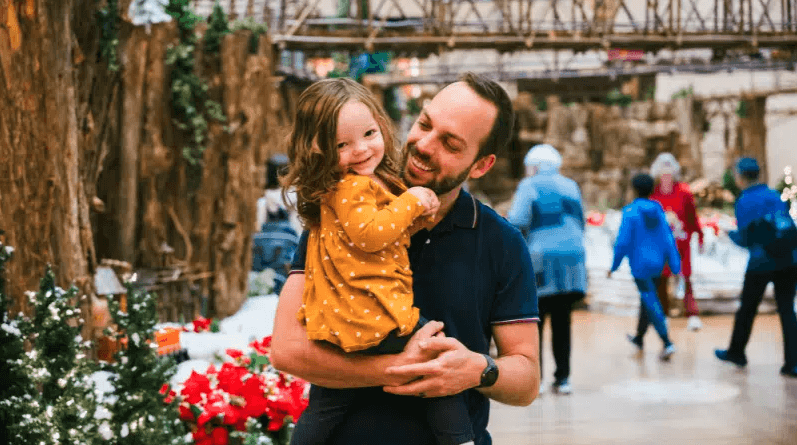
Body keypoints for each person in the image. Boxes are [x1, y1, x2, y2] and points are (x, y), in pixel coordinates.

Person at [271, 73, 540, 445]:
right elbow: (286, 350)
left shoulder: (502, 243)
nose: (424, 144)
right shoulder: (342, 211)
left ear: (480, 165)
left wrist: (477, 368)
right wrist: (397, 367)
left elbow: (526, 379)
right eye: (425, 123)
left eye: (450, 143)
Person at [507, 144, 586, 395]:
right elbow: (581, 222)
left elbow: (518, 220)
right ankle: (563, 379)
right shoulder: (571, 185)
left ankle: (536, 380)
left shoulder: (529, 186)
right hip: (573, 261)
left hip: (541, 259)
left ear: (534, 165)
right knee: (563, 320)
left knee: (536, 321)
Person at [715, 157, 797, 378]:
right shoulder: (773, 195)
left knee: (748, 309)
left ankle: (736, 352)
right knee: (787, 310)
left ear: (741, 177)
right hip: (789, 261)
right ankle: (793, 363)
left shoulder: (745, 200)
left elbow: (745, 238)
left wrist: (728, 234)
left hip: (761, 263)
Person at [608, 173, 680, 361]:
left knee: (650, 300)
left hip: (640, 265)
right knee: (647, 299)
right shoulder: (658, 210)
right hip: (657, 264)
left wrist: (614, 266)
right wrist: (674, 265)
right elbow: (668, 239)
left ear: (633, 190)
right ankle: (639, 338)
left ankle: (667, 342)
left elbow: (622, 242)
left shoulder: (630, 212)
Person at [649, 152, 704, 331]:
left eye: (669, 171)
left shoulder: (684, 192)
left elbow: (692, 217)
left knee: (686, 276)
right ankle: (663, 314)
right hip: (661, 244)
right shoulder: (653, 195)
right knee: (661, 279)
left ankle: (692, 314)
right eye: (662, 172)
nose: (666, 175)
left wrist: (699, 234)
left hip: (681, 241)